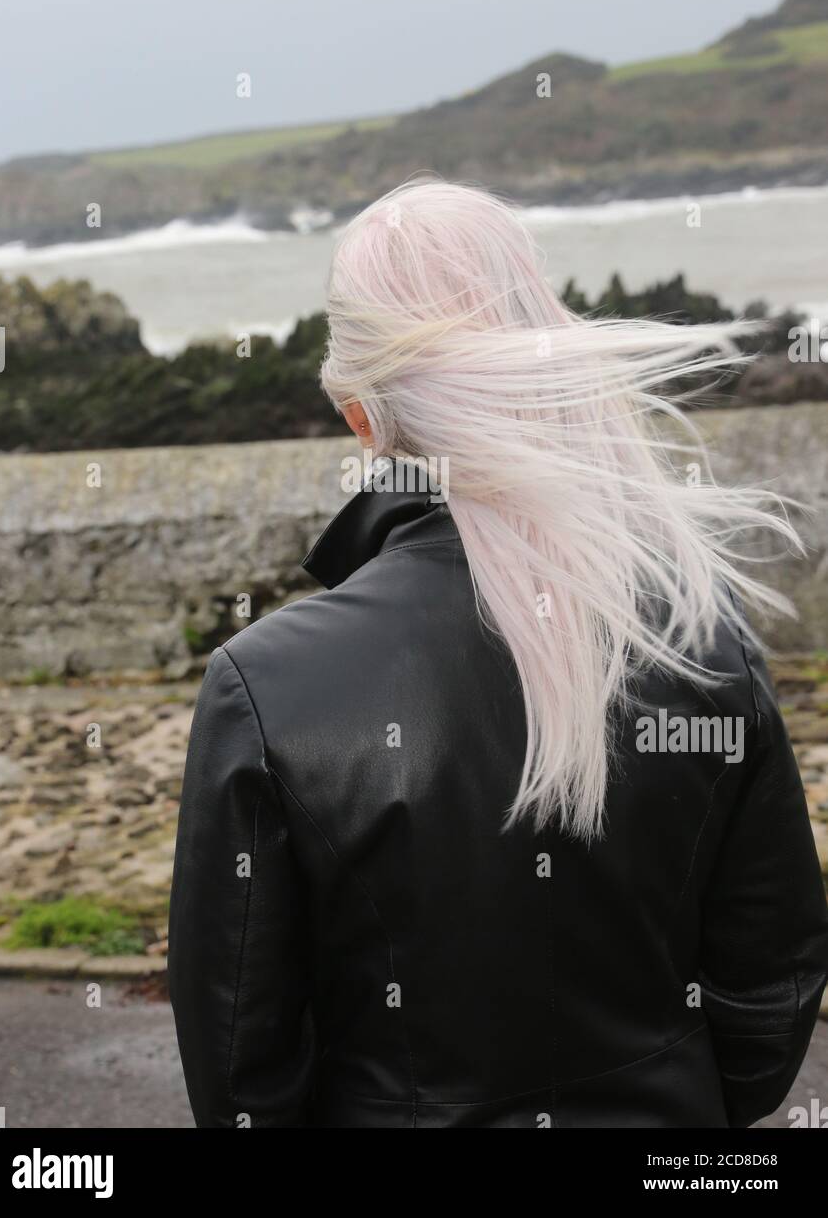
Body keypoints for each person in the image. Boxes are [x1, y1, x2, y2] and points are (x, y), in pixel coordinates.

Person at [168, 179, 828, 1128]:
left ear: (360, 415)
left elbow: (240, 1073)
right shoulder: (700, 638)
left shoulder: (263, 687)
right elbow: (772, 993)